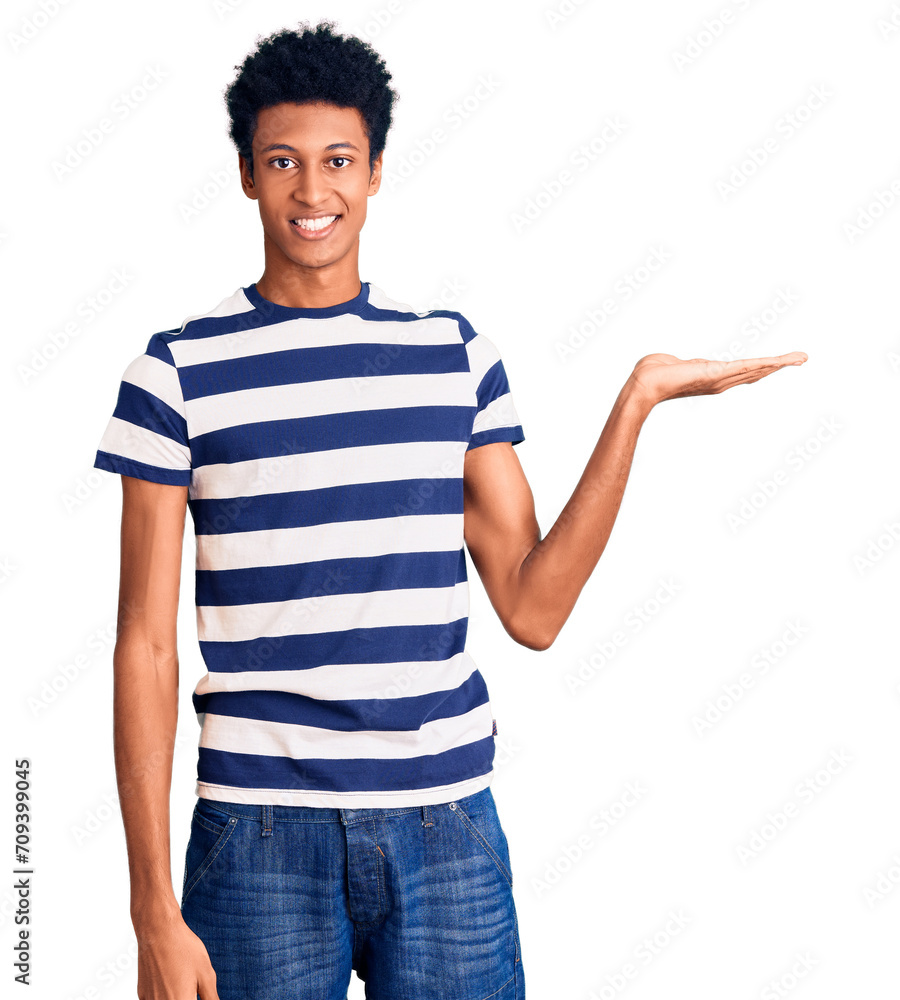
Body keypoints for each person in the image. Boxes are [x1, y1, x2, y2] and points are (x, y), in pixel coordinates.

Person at [92, 19, 807, 1000]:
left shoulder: (451, 354)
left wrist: (636, 401)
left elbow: (534, 608)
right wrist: (149, 914)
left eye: (339, 160)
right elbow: (145, 644)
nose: (312, 191)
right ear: (248, 175)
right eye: (284, 162)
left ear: (376, 171)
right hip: (257, 835)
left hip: (445, 830)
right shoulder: (176, 371)